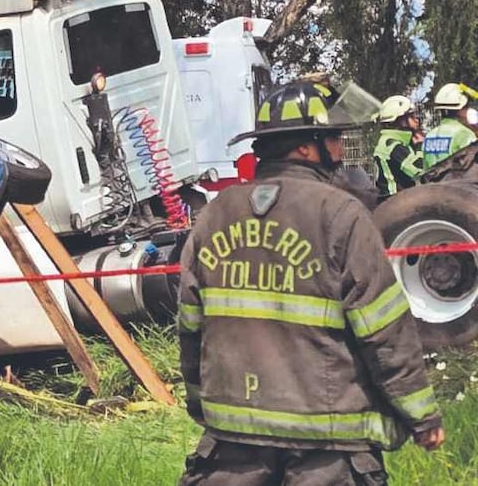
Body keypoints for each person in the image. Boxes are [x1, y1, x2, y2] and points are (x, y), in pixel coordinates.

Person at [178, 81, 444, 485]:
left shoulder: (214, 216)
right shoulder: (340, 215)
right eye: (334, 137)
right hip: (328, 451)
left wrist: (205, 406)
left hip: (231, 452)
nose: (339, 149)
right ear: (305, 147)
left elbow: (191, 328)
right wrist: (421, 415)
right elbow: (384, 329)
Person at [373, 95, 424, 200]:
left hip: (395, 199)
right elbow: (418, 169)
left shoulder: (393, 140)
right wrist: (419, 146)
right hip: (393, 199)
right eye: (411, 116)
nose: (417, 119)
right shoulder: (393, 144)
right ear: (400, 120)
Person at [422, 83, 477, 168]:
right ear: (461, 109)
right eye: (467, 107)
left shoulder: (430, 135)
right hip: (457, 181)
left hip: (431, 181)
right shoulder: (464, 134)